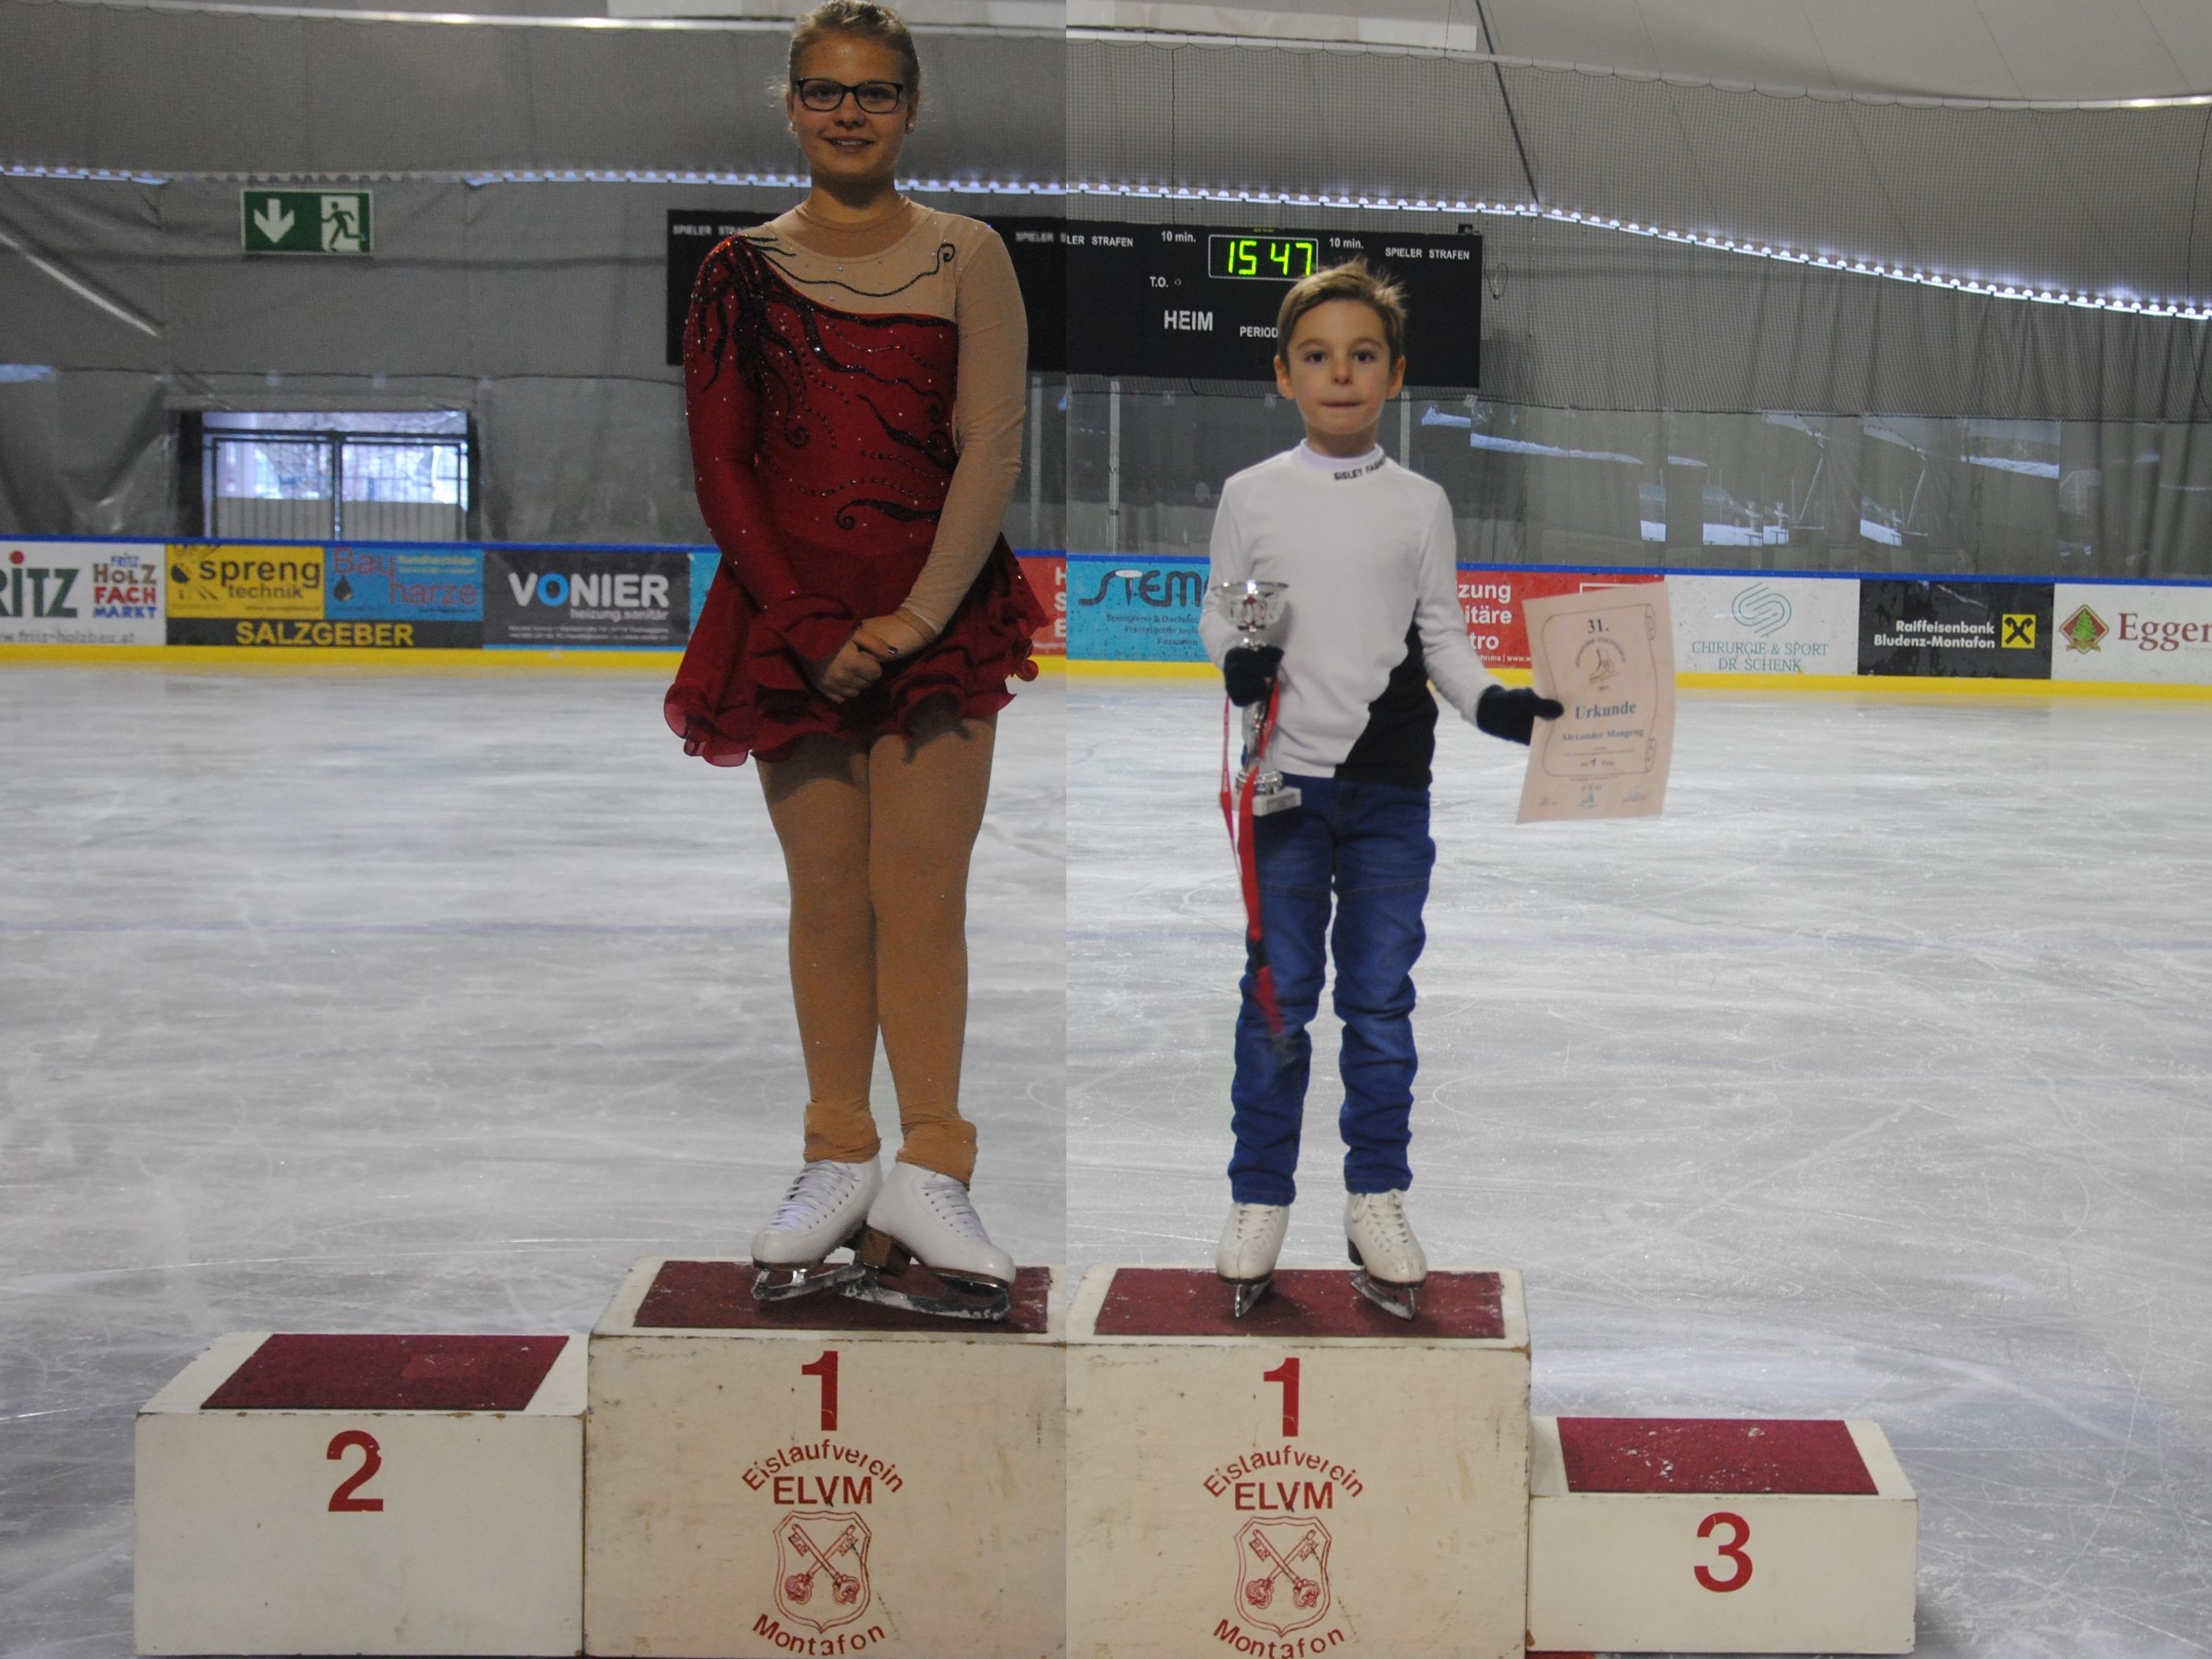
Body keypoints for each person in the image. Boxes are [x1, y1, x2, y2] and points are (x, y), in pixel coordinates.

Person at [665, 0, 1044, 1315]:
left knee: (919, 891)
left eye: (875, 93)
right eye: (826, 91)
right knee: (827, 894)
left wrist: (919, 618)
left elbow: (990, 447)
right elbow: (722, 462)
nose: (848, 112)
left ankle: (930, 1162)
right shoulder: (737, 269)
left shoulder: (966, 253)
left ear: (911, 108)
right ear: (789, 105)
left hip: (940, 618)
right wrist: (810, 626)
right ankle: (837, 1149)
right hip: (790, 622)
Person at [1197, 260, 1561, 1319]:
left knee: (1381, 1003)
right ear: (1284, 375)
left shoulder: (1420, 504)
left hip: (1391, 792)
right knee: (1278, 1001)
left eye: (1363, 356)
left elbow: (1443, 636)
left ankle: (1376, 1194)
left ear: (1394, 375)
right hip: (1284, 791)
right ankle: (1259, 1197)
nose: (1340, 373)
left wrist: (1491, 704)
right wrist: (1237, 658)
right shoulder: (1253, 496)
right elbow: (1231, 609)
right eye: (1317, 356)